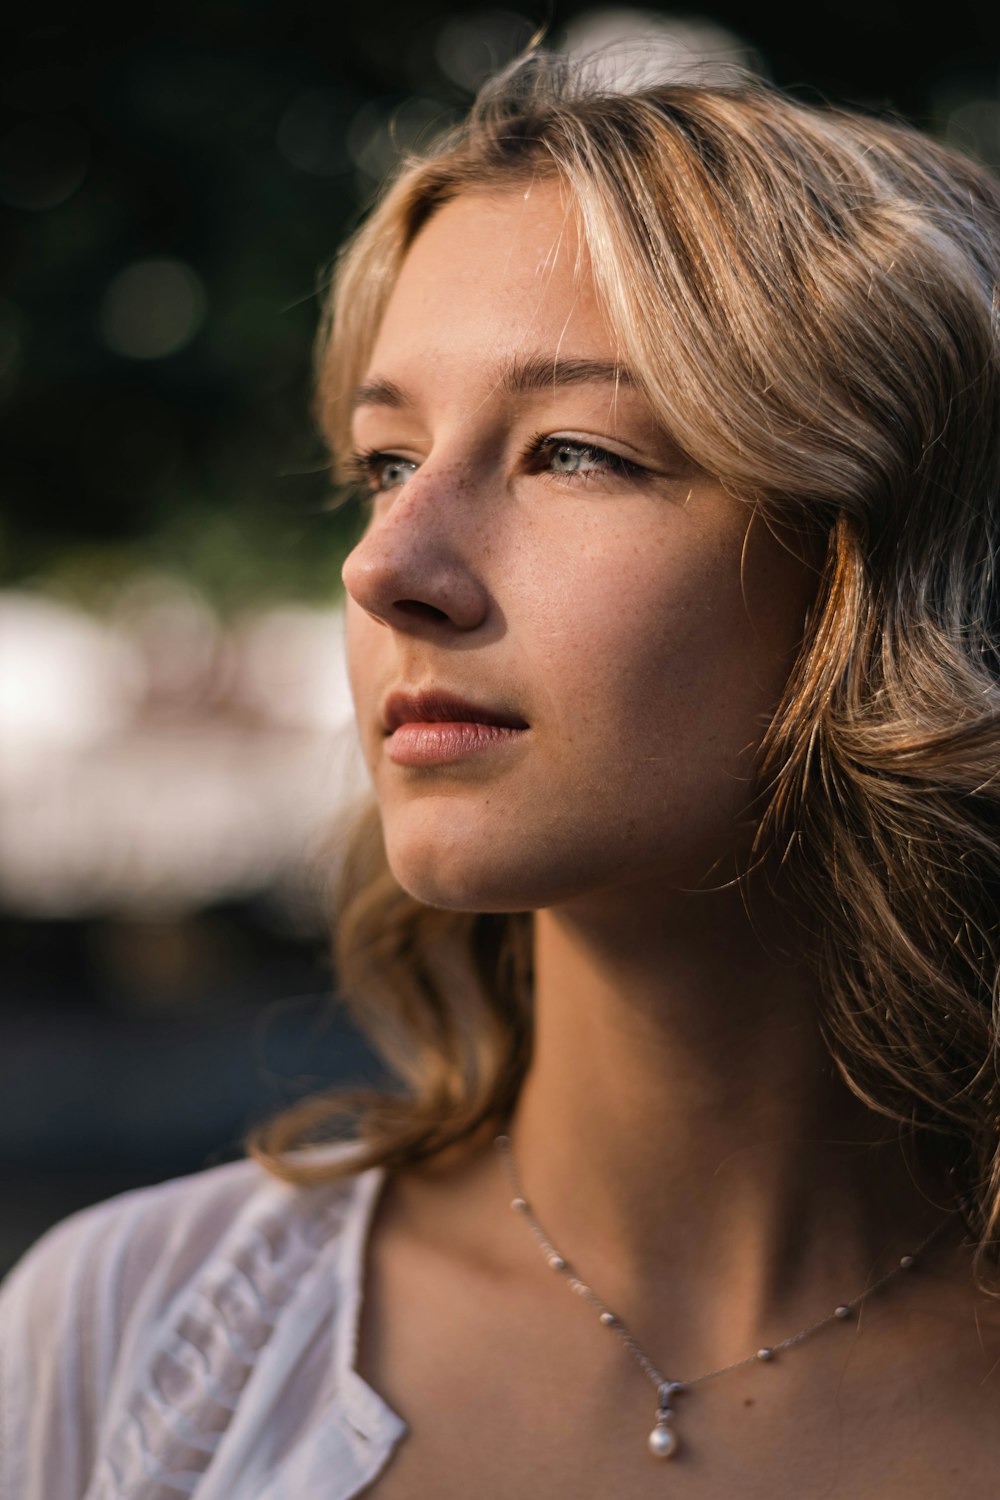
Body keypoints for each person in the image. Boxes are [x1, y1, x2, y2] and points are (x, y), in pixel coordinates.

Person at [3, 50, 1000, 1499]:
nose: (386, 567)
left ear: (882, 570)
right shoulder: (128, 1346)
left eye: (574, 453)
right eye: (386, 461)